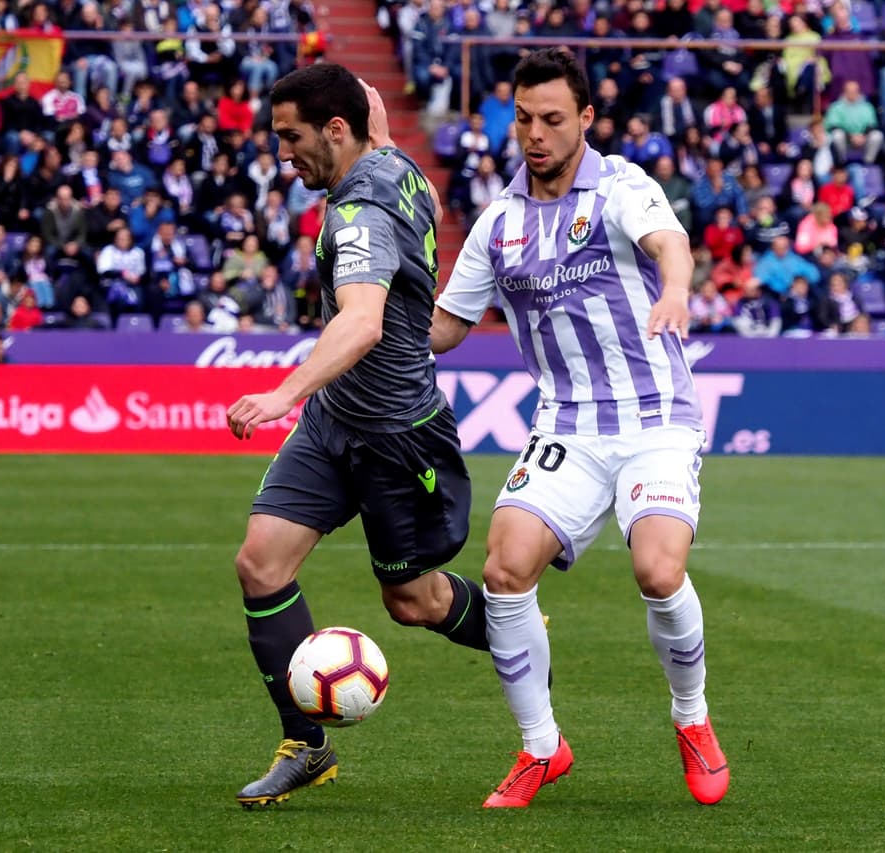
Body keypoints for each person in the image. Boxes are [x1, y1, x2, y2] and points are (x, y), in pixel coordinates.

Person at [426, 49, 728, 809]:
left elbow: (670, 245)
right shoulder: (499, 223)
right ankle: (540, 747)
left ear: (585, 119)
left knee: (658, 572)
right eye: (524, 119)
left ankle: (691, 717)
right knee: (503, 568)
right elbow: (447, 325)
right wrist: (371, 319)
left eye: (553, 119)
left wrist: (677, 290)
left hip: (654, 414)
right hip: (568, 423)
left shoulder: (623, 185)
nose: (535, 134)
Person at [222, 64, 485, 809]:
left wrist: (281, 394)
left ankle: (517, 639)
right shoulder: (390, 157)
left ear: (336, 131)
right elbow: (380, 126)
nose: (283, 155)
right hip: (338, 421)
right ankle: (306, 744)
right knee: (260, 565)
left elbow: (362, 321)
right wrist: (367, 106)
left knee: (413, 601)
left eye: (291, 138)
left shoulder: (361, 212)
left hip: (399, 434)